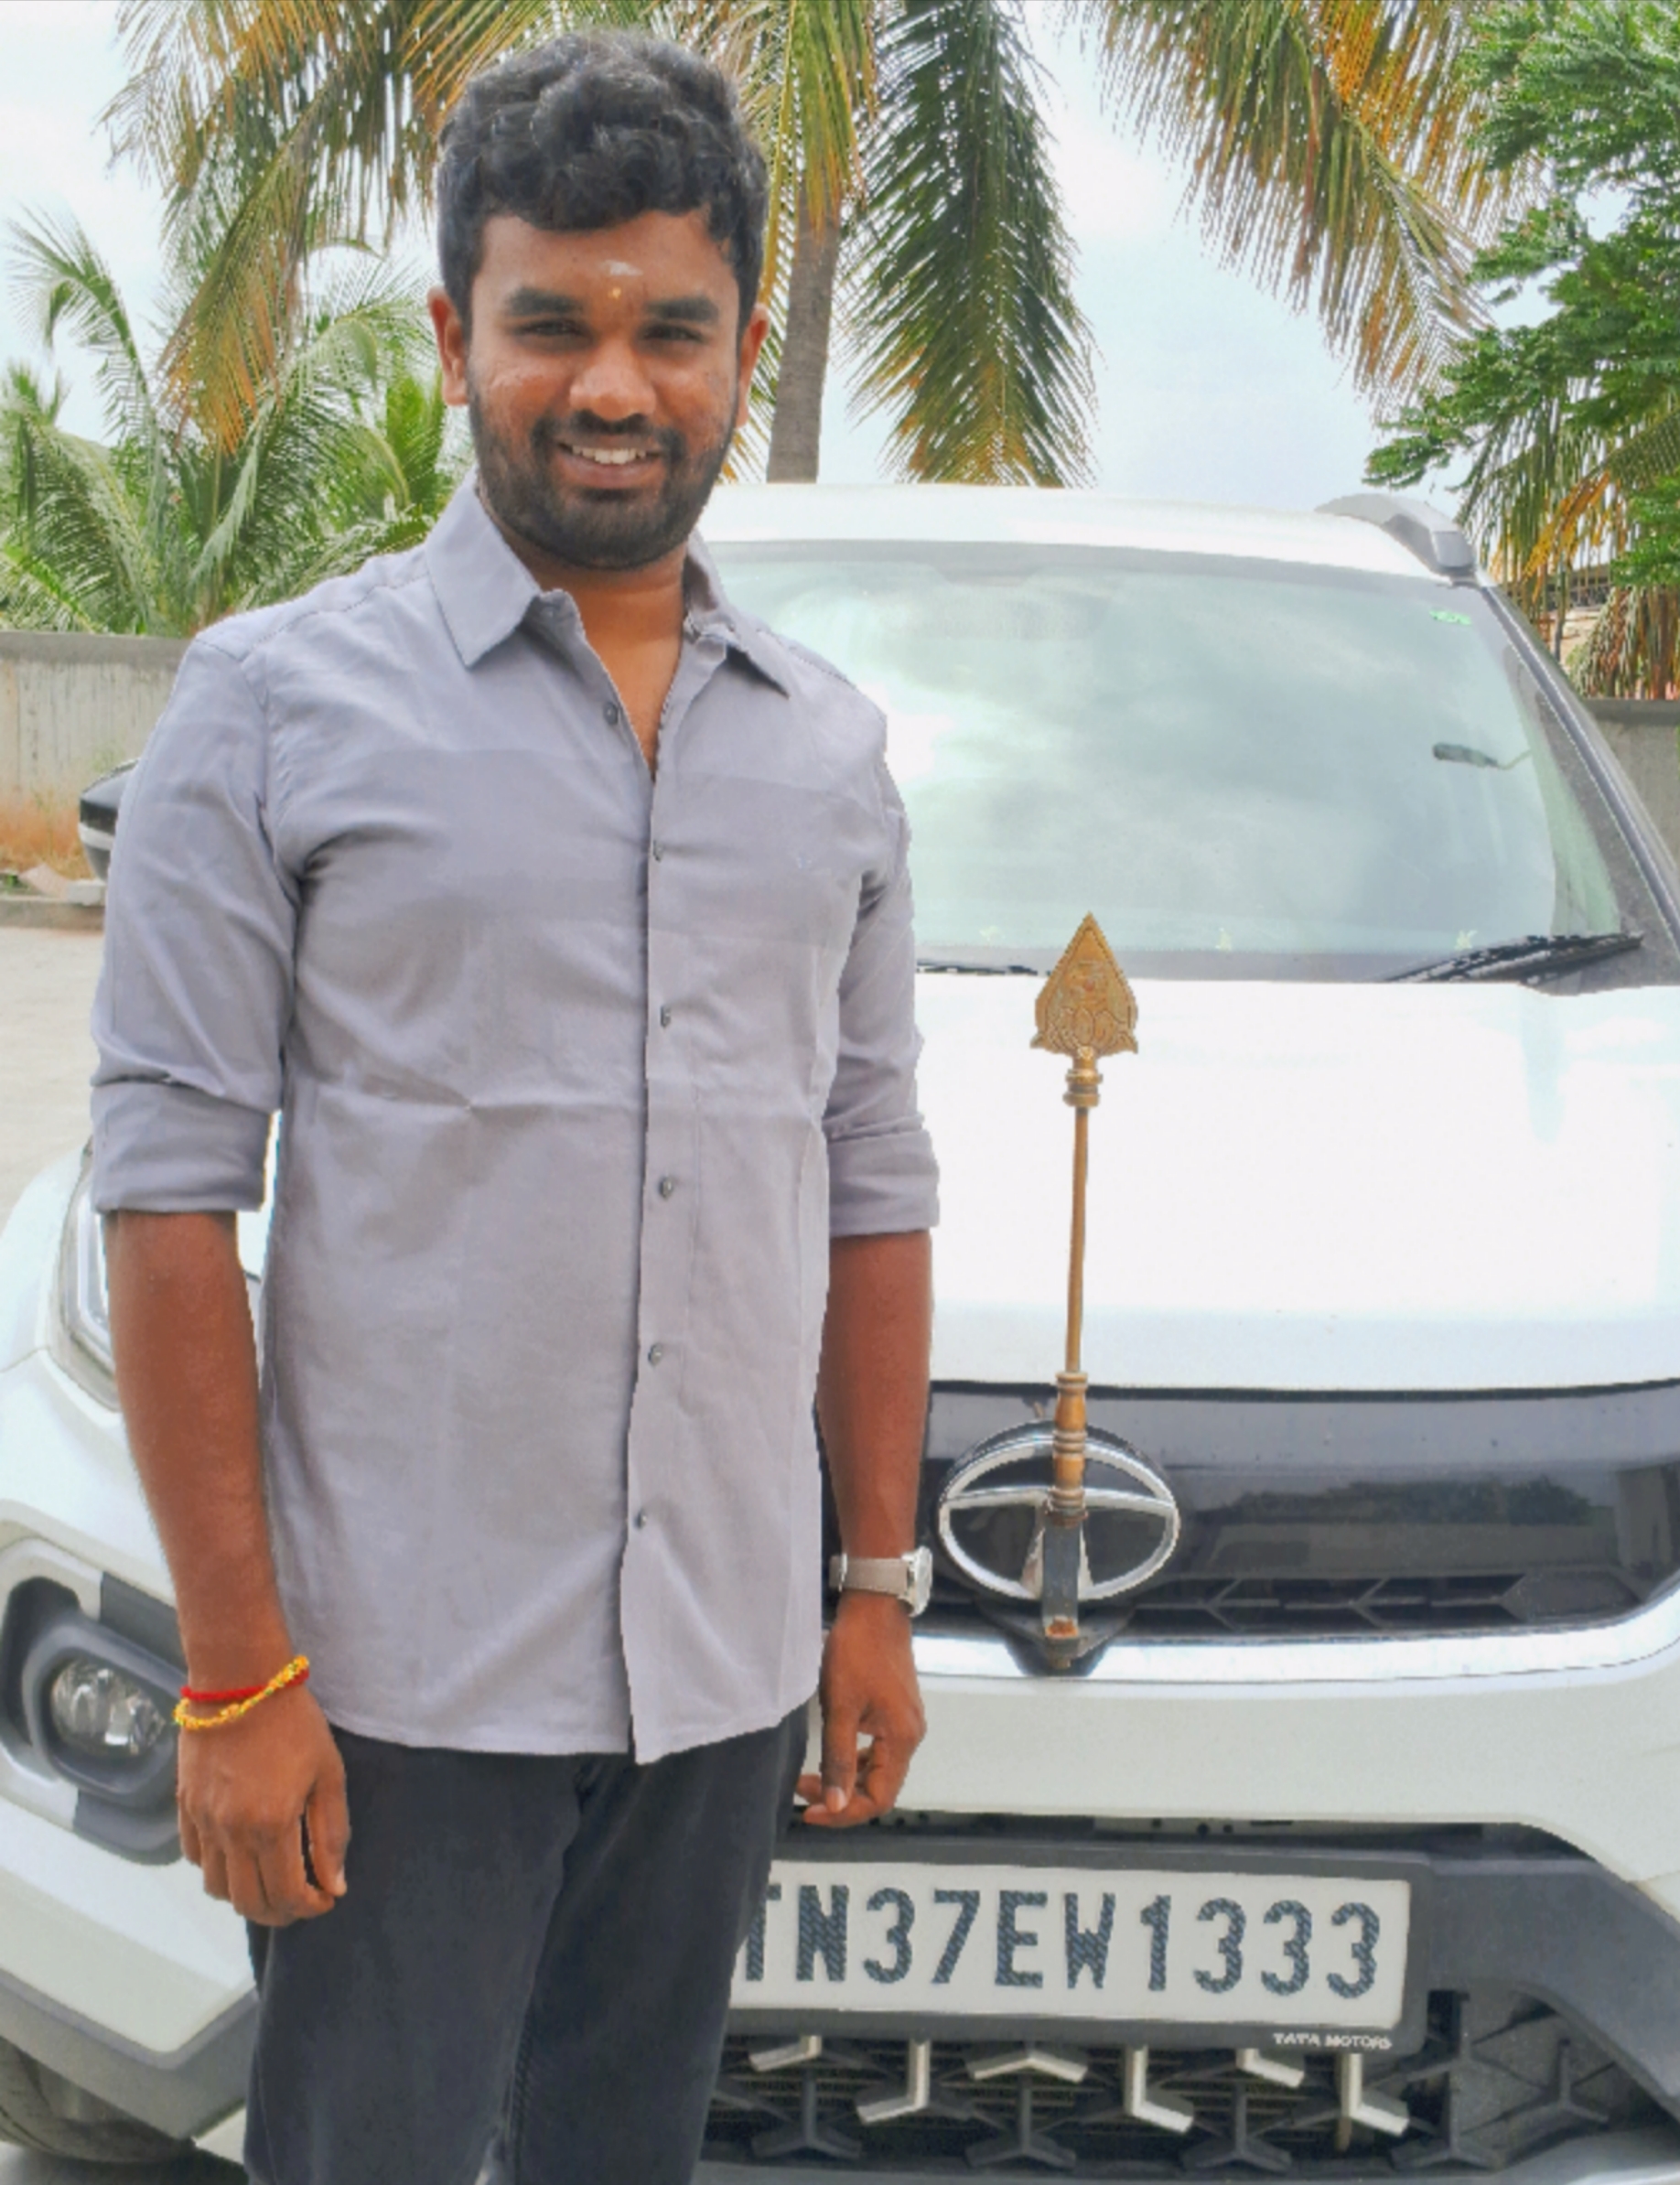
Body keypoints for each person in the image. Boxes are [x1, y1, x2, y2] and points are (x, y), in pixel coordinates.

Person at [92, 32, 938, 2185]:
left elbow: (867, 1180)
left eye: (672, 330)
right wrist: (234, 1674)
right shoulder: (271, 709)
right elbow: (170, 1194)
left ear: (741, 347)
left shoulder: (827, 755)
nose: (612, 385)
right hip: (394, 1680)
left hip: (717, 1675)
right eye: (551, 323)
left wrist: (869, 1583)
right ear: (454, 332)